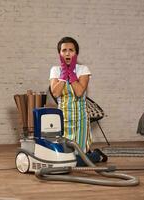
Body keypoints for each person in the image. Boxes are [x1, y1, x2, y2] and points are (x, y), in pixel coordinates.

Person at [49, 37, 107, 165]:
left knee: (77, 160)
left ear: (76, 53)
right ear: (60, 53)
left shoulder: (83, 69)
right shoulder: (55, 70)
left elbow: (79, 92)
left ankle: (96, 155)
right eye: (64, 50)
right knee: (64, 156)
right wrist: (64, 74)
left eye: (71, 50)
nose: (68, 53)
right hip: (62, 119)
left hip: (80, 119)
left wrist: (72, 73)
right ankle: (94, 155)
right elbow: (55, 92)